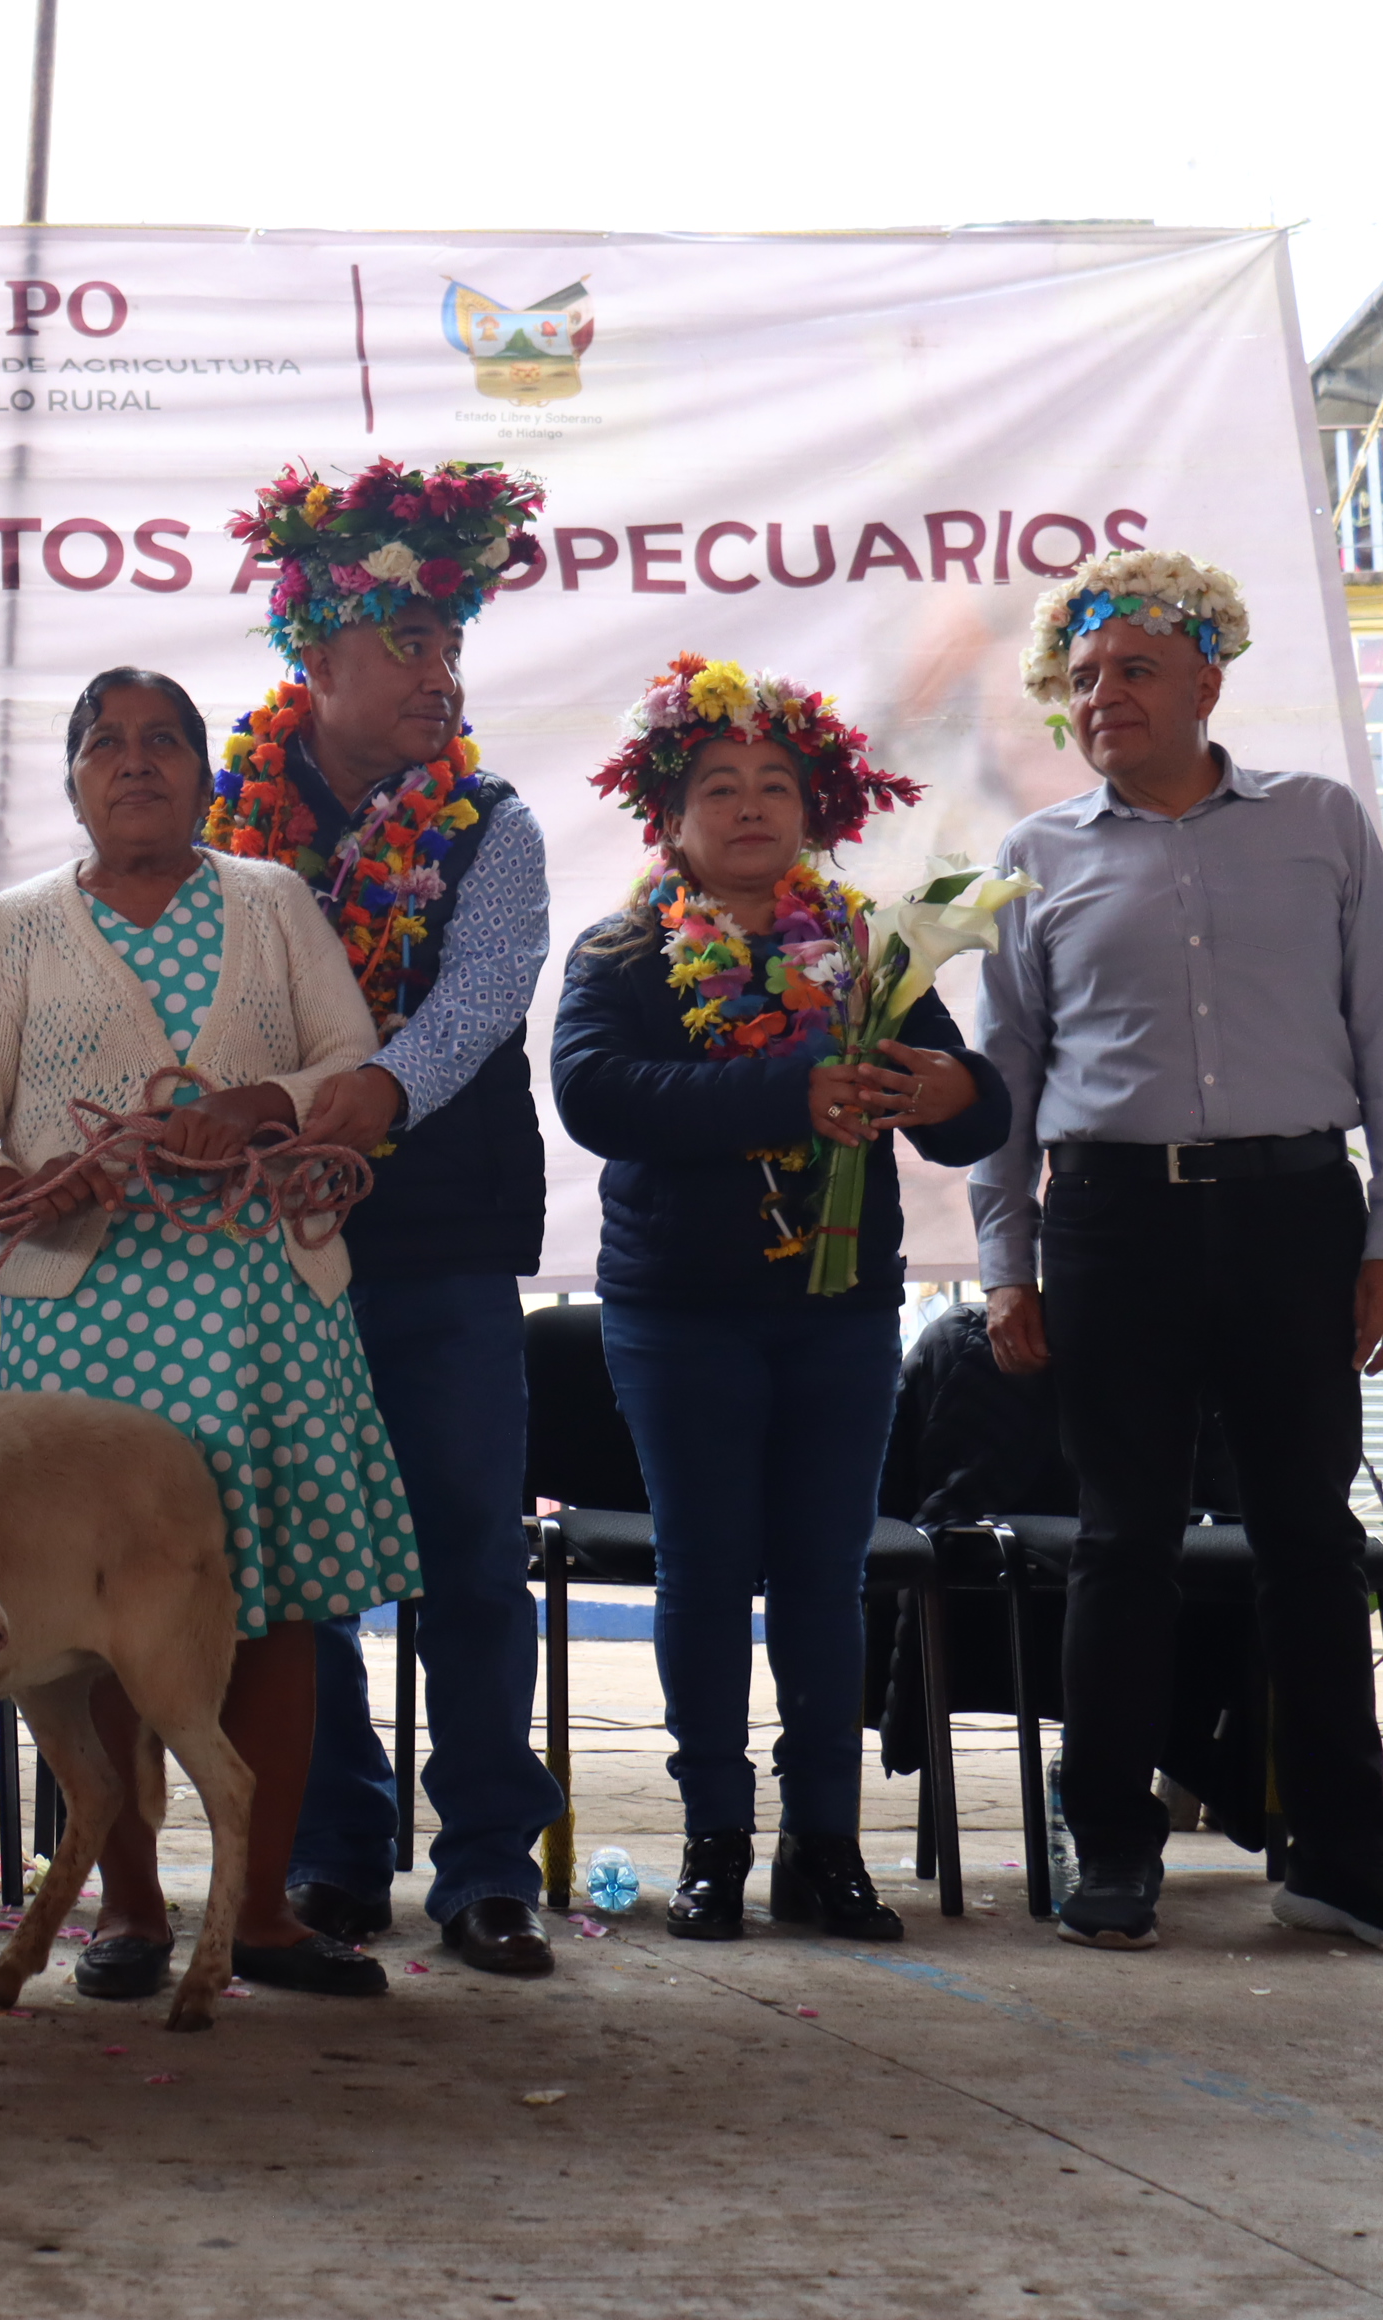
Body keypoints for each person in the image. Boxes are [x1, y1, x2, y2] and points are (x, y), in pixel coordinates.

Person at [0, 666, 418, 1999]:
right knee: (95, 1614)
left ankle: (257, 1914)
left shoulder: (274, 905)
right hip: (91, 1328)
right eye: (105, 746)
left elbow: (353, 1060)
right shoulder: (12, 931)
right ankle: (128, 1912)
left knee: (274, 1604)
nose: (134, 765)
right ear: (74, 781)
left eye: (162, 744)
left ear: (205, 773)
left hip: (264, 1312)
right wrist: (5, 1190)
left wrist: (257, 1102)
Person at [975, 549, 1383, 1954]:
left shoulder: (1320, 826)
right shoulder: (1037, 856)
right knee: (1124, 1537)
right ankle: (1113, 1845)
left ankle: (1342, 1854)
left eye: (1131, 672)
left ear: (1206, 683)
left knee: (1309, 1535)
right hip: (1114, 1223)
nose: (1102, 699)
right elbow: (1003, 1081)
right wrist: (1011, 1262)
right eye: (1082, 682)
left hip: (1296, 1213)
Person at [553, 655, 1007, 1939]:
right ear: (671, 818)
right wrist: (781, 1095)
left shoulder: (866, 941)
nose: (750, 806)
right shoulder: (625, 948)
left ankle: (824, 1845)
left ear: (811, 811)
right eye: (719, 787)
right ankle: (712, 1841)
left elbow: (976, 1113)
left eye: (773, 785)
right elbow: (594, 1096)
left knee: (823, 1576)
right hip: (680, 1311)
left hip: (840, 1314)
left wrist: (944, 1091)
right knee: (703, 1572)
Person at [201, 454, 569, 1975]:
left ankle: (488, 1862)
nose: (442, 673)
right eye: (410, 646)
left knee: (473, 1555)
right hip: (278, 1248)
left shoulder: (494, 823)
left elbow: (482, 998)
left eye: (452, 648)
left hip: (441, 1246)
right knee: (306, 1563)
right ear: (321, 659)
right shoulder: (225, 829)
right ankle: (340, 1846)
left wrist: (370, 1094)